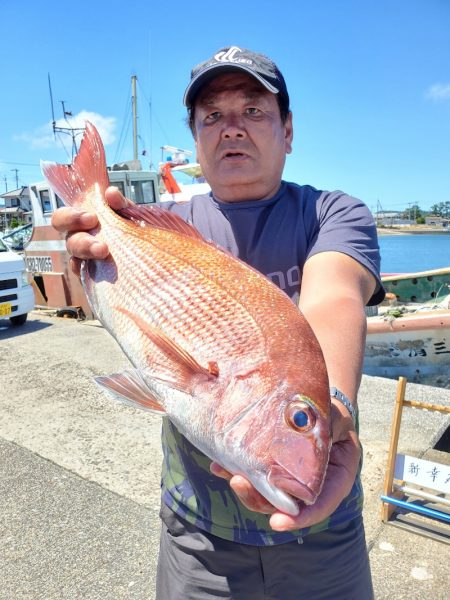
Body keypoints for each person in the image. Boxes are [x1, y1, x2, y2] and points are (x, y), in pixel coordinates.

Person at [52, 46, 384, 599]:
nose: (232, 129)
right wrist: (89, 254)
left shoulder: (333, 212)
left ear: (289, 130)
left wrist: (333, 411)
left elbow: (334, 300)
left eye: (253, 111)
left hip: (325, 542)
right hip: (197, 535)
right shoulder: (164, 224)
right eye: (213, 116)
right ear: (196, 137)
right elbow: (130, 322)